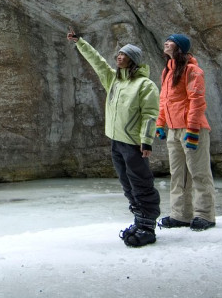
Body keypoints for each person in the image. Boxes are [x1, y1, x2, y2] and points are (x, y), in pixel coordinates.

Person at [66, 27, 160, 247]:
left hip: (134, 144)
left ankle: (148, 226)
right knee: (127, 183)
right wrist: (80, 43)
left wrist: (146, 141)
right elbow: (97, 62)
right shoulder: (114, 81)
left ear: (133, 60)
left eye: (124, 54)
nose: (119, 56)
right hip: (117, 142)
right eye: (118, 54)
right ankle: (139, 219)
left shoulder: (144, 85)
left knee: (141, 183)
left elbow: (150, 114)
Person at [154, 33, 216, 231]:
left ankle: (205, 215)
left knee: (199, 173)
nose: (166, 42)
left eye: (170, 41)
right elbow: (164, 101)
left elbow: (197, 101)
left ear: (180, 47)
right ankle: (181, 215)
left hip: (192, 129)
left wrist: (193, 129)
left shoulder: (192, 71)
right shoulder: (167, 72)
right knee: (178, 174)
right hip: (173, 130)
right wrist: (160, 124)